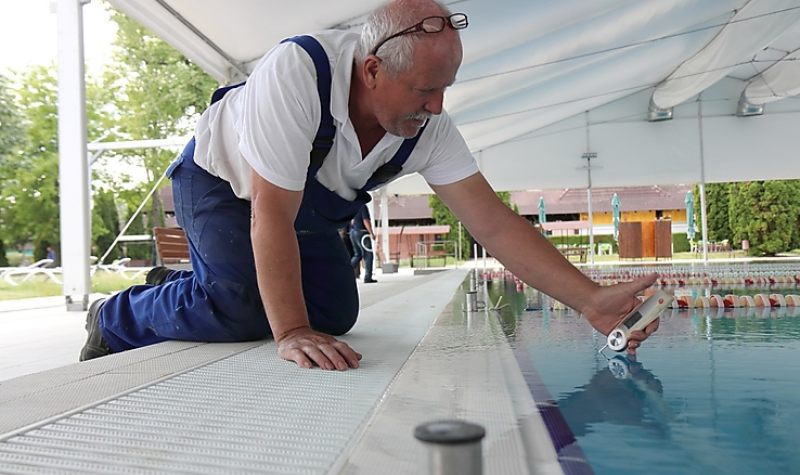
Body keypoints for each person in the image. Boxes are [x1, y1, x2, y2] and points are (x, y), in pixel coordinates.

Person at [80, 0, 658, 370]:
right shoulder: (298, 71)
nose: (437, 107)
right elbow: (269, 215)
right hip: (223, 184)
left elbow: (494, 224)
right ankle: (115, 316)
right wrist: (291, 332)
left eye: (446, 89)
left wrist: (588, 300)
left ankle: (200, 279)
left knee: (333, 314)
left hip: (292, 209)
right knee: (246, 308)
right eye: (425, 90)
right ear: (373, 69)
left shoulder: (428, 125)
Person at [350, 205, 377, 283]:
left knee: (357, 255)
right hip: (362, 233)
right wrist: (371, 232)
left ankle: (345, 272)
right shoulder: (362, 206)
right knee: (368, 255)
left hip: (352, 232)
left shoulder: (352, 207)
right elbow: (365, 220)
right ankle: (368, 277)